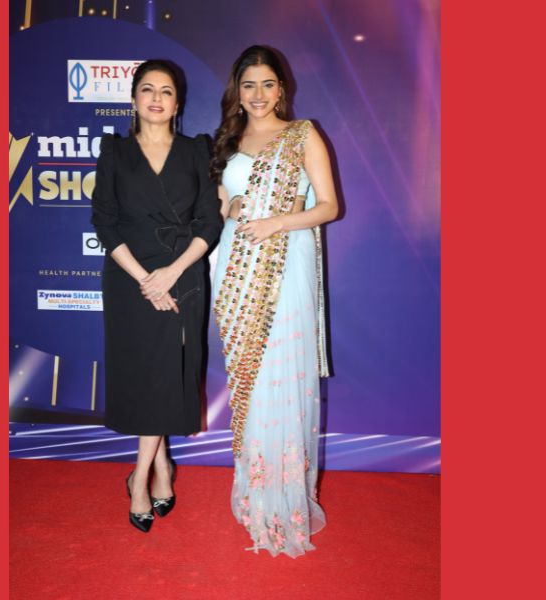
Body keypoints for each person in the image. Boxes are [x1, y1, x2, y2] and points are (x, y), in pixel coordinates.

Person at [210, 45, 339, 557]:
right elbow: (219, 206)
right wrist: (230, 208)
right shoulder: (227, 140)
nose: (259, 94)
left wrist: (277, 222)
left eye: (267, 84)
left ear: (281, 88)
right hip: (235, 269)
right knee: (250, 379)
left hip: (286, 265)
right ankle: (255, 491)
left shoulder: (303, 134)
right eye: (249, 85)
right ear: (237, 91)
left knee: (280, 374)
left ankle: (283, 500)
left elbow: (328, 206)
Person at [91, 60, 223, 533]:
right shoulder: (115, 152)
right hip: (129, 279)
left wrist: (170, 273)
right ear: (133, 99)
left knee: (168, 374)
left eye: (166, 91)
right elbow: (104, 222)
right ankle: (160, 466)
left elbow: (209, 221)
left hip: (182, 274)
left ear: (177, 102)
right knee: (147, 376)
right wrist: (146, 279)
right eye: (147, 89)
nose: (156, 98)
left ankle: (141, 477)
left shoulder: (195, 150)